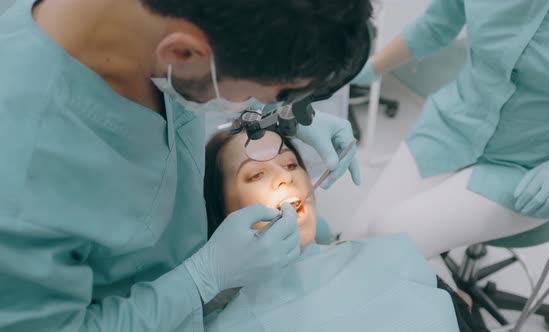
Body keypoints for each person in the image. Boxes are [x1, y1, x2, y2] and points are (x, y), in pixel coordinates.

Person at [0, 0, 372, 331]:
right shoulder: (23, 171)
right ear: (183, 53)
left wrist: (282, 113)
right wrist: (199, 280)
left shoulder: (146, 27)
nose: (262, 102)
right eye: (265, 92)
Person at [343, 0, 549, 257]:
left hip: (533, 167)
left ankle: (450, 292)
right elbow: (436, 25)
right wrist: (370, 68)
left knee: (388, 237)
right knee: (352, 241)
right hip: (452, 124)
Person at [201, 130, 485, 332]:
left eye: (290, 164)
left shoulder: (390, 253)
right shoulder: (230, 322)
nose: (286, 176)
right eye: (256, 174)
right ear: (222, 210)